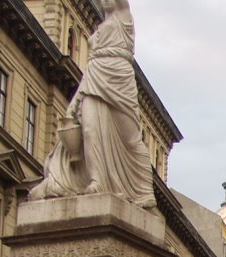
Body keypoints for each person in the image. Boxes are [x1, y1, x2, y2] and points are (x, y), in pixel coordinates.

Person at [29, 0, 156, 208]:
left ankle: (144, 190)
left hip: (119, 78)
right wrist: (75, 101)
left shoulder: (124, 18)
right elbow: (91, 67)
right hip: (94, 76)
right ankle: (96, 180)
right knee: (88, 130)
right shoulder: (100, 28)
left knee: (130, 138)